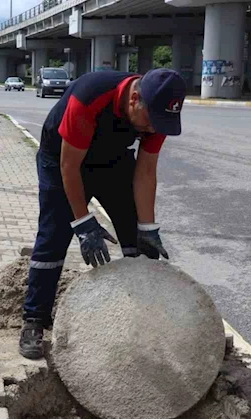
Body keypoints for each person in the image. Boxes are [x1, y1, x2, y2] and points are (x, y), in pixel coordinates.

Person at [19, 67, 187, 360]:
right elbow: (69, 168)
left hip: (112, 161)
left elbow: (146, 171)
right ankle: (34, 319)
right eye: (150, 122)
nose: (152, 129)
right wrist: (84, 224)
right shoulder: (90, 97)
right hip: (61, 160)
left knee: (137, 240)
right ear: (135, 99)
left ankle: (146, 322)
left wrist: (147, 227)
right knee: (53, 237)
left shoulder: (158, 113)